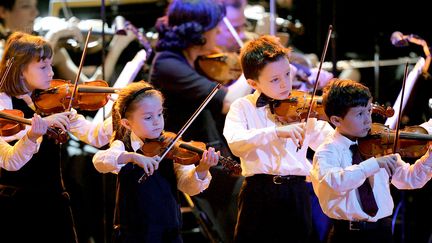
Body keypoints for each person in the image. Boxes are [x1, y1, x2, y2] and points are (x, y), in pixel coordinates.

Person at [0, 32, 112, 243]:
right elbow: (11, 161)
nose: (51, 73)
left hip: (53, 201)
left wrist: (120, 115)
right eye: (43, 67)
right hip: (16, 206)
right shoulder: (3, 105)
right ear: (20, 70)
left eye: (51, 65)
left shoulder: (52, 101)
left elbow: (95, 136)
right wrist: (35, 133)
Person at [223, 35, 333, 242]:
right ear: (253, 83)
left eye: (287, 74)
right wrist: (275, 132)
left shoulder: (302, 108)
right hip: (259, 193)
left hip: (297, 192)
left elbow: (329, 141)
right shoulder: (243, 107)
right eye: (275, 79)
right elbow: (236, 143)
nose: (285, 84)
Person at [92, 81, 219, 242]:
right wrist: (132, 157)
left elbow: (188, 186)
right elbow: (99, 161)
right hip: (134, 235)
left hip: (169, 233)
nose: (157, 121)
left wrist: (202, 168)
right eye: (148, 117)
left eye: (160, 114)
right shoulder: (124, 146)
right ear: (127, 123)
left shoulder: (171, 145)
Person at [310, 78, 432, 243]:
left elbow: (410, 179)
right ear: (336, 120)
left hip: (382, 232)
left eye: (369, 111)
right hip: (348, 235)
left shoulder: (378, 143)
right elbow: (333, 182)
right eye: (360, 114)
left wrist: (429, 157)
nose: (368, 120)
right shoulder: (327, 151)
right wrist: (373, 165)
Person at [150, 0, 251, 159]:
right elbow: (229, 102)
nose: (218, 31)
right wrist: (254, 66)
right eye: (214, 26)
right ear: (198, 32)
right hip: (186, 160)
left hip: (209, 150)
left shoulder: (196, 58)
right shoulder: (168, 64)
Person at [0, 0, 135, 83]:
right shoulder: (2, 50)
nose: (34, 13)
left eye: (35, 6)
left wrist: (115, 48)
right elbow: (16, 76)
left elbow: (89, 90)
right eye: (25, 6)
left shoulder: (56, 51)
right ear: (3, 11)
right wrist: (54, 35)